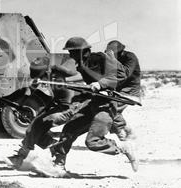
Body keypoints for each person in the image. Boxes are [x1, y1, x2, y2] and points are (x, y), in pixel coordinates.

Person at [50, 37, 139, 174]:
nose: (70, 55)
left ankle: (124, 147)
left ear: (82, 51)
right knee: (69, 129)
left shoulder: (99, 58)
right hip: (94, 103)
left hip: (106, 106)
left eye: (72, 52)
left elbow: (121, 74)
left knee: (93, 141)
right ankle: (58, 165)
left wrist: (100, 84)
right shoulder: (82, 63)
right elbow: (91, 83)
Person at [4, 56, 81, 169]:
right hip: (55, 105)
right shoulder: (42, 76)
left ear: (48, 70)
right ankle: (52, 148)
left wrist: (65, 81)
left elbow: (80, 76)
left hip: (68, 109)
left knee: (38, 125)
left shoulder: (58, 71)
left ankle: (21, 158)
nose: (41, 78)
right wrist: (22, 104)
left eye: (42, 76)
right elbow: (32, 89)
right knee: (32, 129)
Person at [105, 40, 141, 141]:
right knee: (106, 109)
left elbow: (125, 73)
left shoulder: (130, 57)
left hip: (130, 89)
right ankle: (126, 134)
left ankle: (126, 135)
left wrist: (112, 60)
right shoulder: (112, 59)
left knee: (112, 110)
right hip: (118, 88)